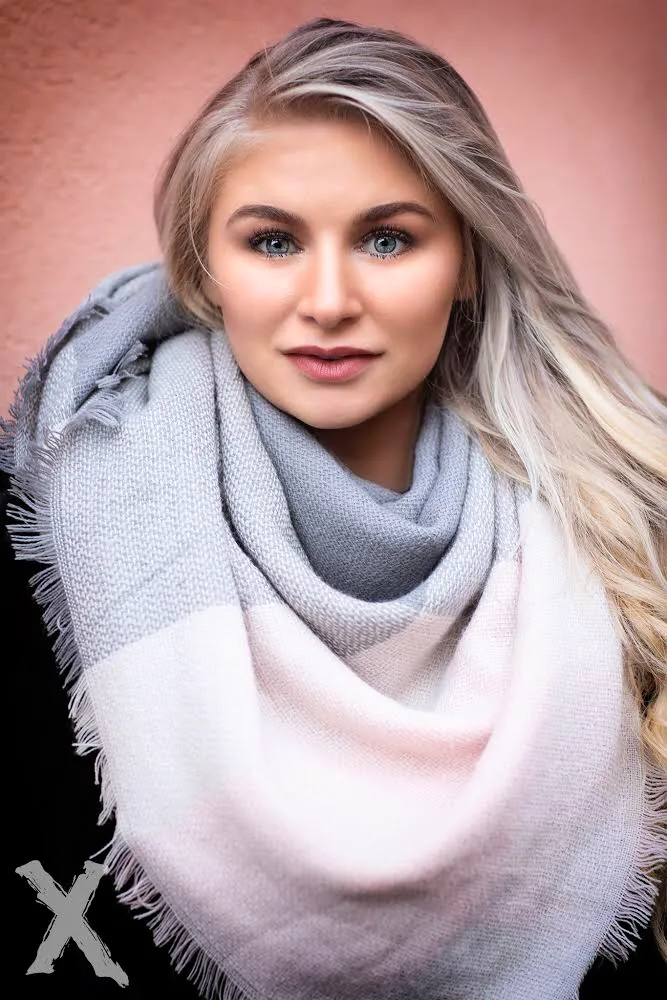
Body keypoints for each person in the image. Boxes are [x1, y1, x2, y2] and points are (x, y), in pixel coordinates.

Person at [3, 16, 666, 1000]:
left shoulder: (617, 528)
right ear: (207, 269)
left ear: (469, 261)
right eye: (272, 241)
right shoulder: (65, 530)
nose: (327, 299)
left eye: (387, 239)